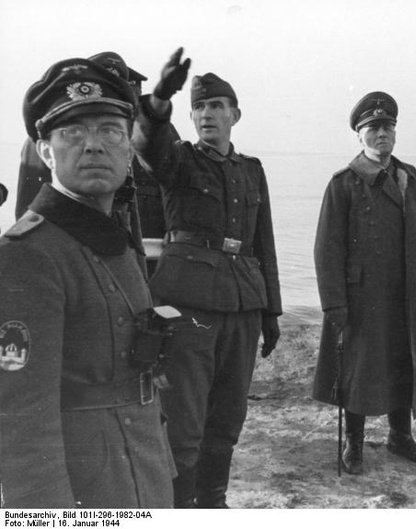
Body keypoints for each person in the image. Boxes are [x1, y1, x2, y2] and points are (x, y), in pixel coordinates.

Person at [0, 58, 175, 508]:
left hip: (143, 467)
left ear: (127, 147)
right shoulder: (27, 254)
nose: (94, 146)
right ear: (44, 152)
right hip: (85, 490)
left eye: (111, 131)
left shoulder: (114, 234)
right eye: (72, 133)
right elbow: (21, 418)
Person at [132, 48, 282, 508]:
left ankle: (213, 503)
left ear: (235, 114)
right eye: (199, 107)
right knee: (184, 424)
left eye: (216, 106)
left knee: (228, 419)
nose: (206, 114)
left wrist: (271, 312)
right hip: (189, 308)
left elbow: (264, 244)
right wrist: (160, 98)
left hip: (243, 307)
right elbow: (146, 143)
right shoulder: (179, 162)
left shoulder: (251, 170)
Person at [312, 92, 416, 475]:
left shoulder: (411, 178)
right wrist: (334, 304)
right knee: (359, 369)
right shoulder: (344, 184)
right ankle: (354, 443)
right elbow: (327, 250)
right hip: (363, 298)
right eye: (373, 128)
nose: (382, 134)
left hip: (407, 294)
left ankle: (400, 437)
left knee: (404, 363)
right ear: (359, 136)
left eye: (388, 127)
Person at [14, 51, 165, 278]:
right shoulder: (46, 142)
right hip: (63, 243)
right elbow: (29, 200)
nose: (93, 145)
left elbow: (131, 210)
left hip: (116, 245)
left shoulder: (122, 140)